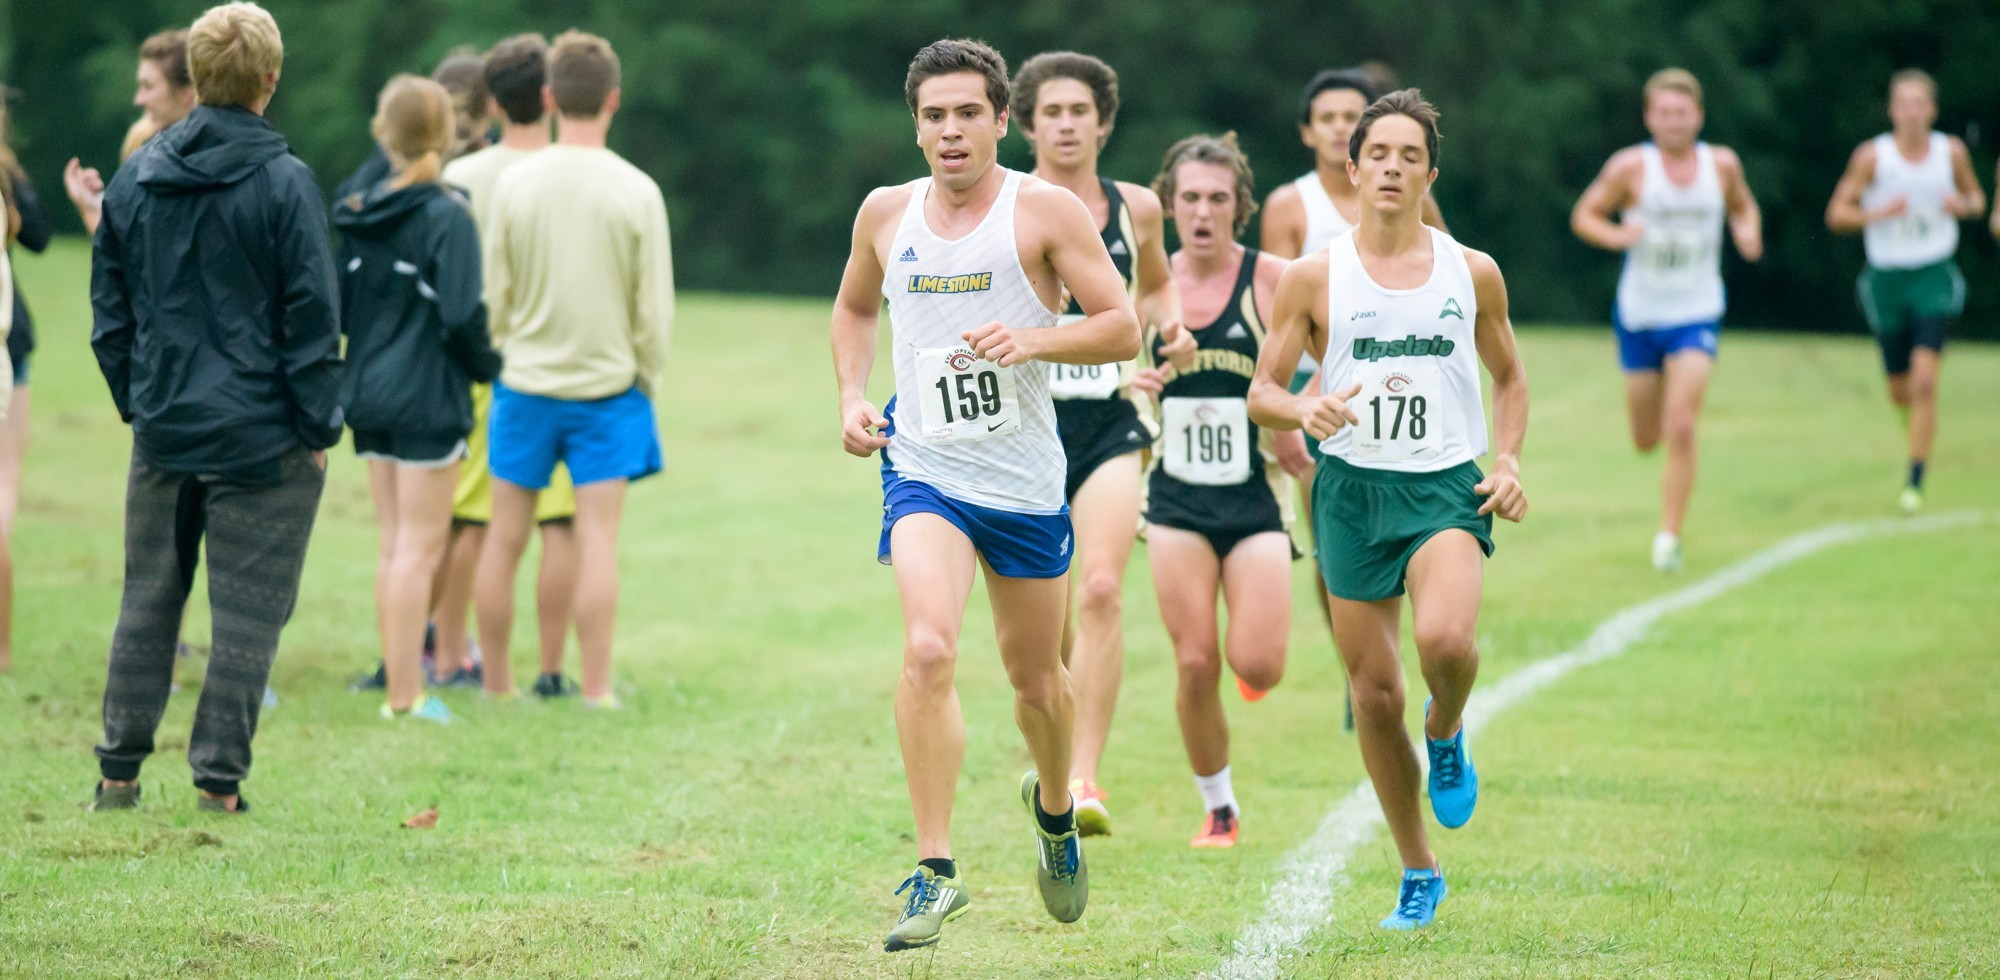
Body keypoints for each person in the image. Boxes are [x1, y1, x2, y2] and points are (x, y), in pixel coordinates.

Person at [831, 38, 1137, 952]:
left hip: (1026, 482)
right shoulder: (886, 214)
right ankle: (934, 871)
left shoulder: (1041, 211)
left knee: (1036, 681)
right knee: (928, 649)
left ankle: (1053, 815)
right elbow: (854, 308)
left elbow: (1122, 324)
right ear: (916, 125)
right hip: (925, 468)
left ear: (1003, 120)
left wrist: (1036, 341)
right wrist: (851, 393)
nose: (952, 130)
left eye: (969, 112)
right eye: (935, 115)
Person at [1249, 90, 1528, 930]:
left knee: (1445, 640)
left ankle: (1446, 728)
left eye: (1411, 156)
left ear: (1428, 173)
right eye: (1380, 154)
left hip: (1445, 485)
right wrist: (1303, 410)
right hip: (1351, 493)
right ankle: (1418, 870)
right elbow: (1264, 389)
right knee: (1373, 697)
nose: (1393, 168)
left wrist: (1506, 458)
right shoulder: (1312, 276)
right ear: (1353, 165)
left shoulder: (1469, 270)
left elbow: (1509, 377)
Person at [88, 1, 342, 815]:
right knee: (247, 617)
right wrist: (316, 428)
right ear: (271, 81)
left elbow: (110, 310)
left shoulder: (136, 176)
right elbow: (311, 319)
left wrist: (139, 400)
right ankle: (217, 784)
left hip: (165, 427)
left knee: (147, 598)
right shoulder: (287, 184)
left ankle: (117, 774)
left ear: (194, 78)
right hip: (262, 437)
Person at [1008, 50, 1188, 838]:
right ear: (1026, 124)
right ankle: (1056, 751)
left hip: (1111, 418)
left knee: (1104, 588)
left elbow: (1151, 285)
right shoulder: (1006, 207)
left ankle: (1085, 779)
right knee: (1049, 617)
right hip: (1026, 422)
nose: (1067, 124)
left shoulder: (1139, 207)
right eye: (1052, 112)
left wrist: (1168, 327)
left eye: (1081, 110)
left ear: (1104, 122)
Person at [474, 31, 671, 708]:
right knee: (597, 543)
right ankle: (595, 689)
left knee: (502, 541)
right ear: (613, 99)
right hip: (608, 390)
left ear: (551, 98)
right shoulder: (638, 190)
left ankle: (497, 684)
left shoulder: (514, 184)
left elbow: (494, 293)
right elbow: (653, 310)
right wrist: (647, 375)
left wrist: (510, 346)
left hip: (524, 384)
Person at [1130, 133, 1296, 849]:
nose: (1202, 212)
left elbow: (1336, 354)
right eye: (1189, 198)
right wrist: (1131, 387)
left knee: (1256, 663)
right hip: (1173, 499)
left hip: (1256, 497)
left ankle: (1253, 668)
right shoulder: (1143, 285)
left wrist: (1297, 413)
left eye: (1217, 199)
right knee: (1194, 659)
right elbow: (1102, 369)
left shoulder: (1275, 281)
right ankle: (1219, 808)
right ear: (1169, 206)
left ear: (1241, 207)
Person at [335, 75, 501, 722]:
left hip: (368, 394)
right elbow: (463, 316)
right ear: (450, 135)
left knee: (393, 544)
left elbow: (344, 310)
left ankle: (399, 686)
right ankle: (405, 697)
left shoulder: (356, 212)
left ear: (385, 135)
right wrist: (492, 366)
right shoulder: (447, 215)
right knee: (418, 549)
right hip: (428, 399)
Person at [434, 34, 581, 698]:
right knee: (560, 523)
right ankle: (551, 670)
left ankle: (453, 658)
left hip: (471, 364)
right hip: (554, 364)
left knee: (468, 519)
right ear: (550, 96)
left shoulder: (458, 178)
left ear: (492, 100)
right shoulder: (571, 171)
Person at [1570, 68, 1762, 572]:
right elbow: (1585, 215)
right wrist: (1616, 237)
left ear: (1698, 116)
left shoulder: (1721, 166)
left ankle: (1668, 538)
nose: (1674, 121)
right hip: (1640, 312)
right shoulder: (1631, 167)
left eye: (1682, 112)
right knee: (1645, 438)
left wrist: (1747, 232)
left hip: (1696, 309)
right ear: (1649, 117)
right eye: (1663, 113)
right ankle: (1662, 496)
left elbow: (1744, 208)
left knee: (1681, 424)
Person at [1825, 69, 1986, 514]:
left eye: (1921, 104)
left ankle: (1915, 481)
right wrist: (1876, 215)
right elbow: (1837, 213)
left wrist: (1963, 205)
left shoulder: (1949, 152)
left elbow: (1977, 200)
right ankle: (1910, 422)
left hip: (1933, 274)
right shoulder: (1872, 157)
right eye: (1904, 104)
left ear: (1932, 110)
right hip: (1885, 279)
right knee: (1901, 390)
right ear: (1892, 110)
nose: (1912, 113)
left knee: (1925, 379)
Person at [0, 103, 51, 675]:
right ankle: (3, 648)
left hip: (9, 340)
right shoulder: (7, 176)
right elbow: (38, 236)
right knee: (5, 483)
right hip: (8, 342)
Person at [64, 30, 197, 235]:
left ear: (187, 93)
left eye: (148, 86)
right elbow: (130, 252)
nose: (139, 100)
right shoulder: (149, 152)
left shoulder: (201, 168)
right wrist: (93, 206)